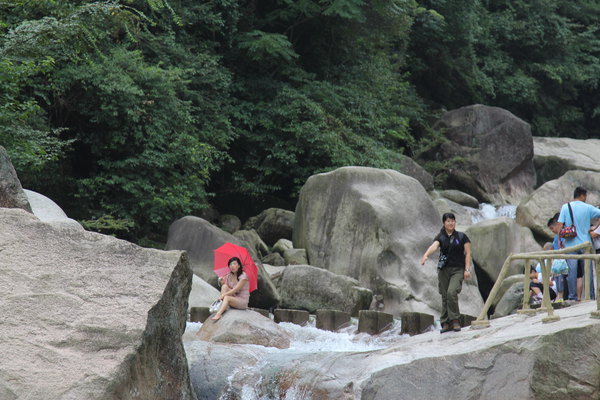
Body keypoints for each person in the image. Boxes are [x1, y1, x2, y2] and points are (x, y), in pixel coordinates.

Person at [420, 213, 471, 333]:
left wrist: (467, 269)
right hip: (443, 270)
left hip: (458, 269)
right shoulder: (441, 237)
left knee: (451, 293)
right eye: (448, 221)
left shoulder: (462, 236)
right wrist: (426, 255)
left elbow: (468, 253)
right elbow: (434, 246)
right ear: (444, 223)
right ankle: (445, 323)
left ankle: (455, 321)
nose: (451, 223)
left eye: (453, 221)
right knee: (444, 296)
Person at [556, 187, 600, 301]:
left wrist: (559, 240)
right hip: (586, 244)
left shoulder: (566, 207)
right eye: (585, 196)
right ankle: (590, 296)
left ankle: (572, 297)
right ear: (582, 195)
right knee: (587, 271)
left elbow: (559, 226)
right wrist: (595, 227)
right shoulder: (588, 208)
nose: (586, 198)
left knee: (572, 272)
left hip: (571, 245)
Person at [211, 257, 250, 321]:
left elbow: (235, 290)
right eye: (230, 264)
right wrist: (222, 282)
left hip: (241, 300)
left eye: (234, 264)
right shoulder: (229, 275)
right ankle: (221, 304)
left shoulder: (243, 277)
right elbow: (226, 287)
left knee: (226, 297)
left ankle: (219, 313)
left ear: (239, 265)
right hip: (234, 296)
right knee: (224, 286)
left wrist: (223, 295)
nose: (232, 266)